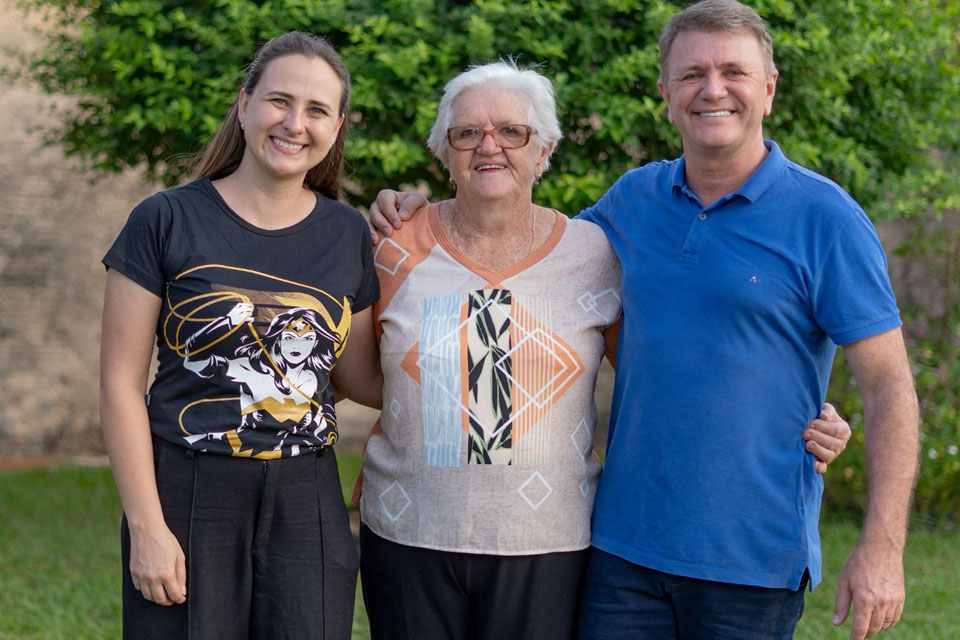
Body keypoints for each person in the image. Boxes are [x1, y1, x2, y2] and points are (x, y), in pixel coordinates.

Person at [368, 3, 918, 639]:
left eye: (733, 71)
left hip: (751, 559)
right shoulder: (632, 203)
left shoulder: (826, 218)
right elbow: (526, 256)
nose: (712, 89)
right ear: (665, 93)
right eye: (691, 75)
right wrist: (414, 213)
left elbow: (888, 386)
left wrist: (881, 548)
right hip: (620, 553)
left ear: (768, 88)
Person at [99, 31, 380, 640]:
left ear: (337, 126)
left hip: (308, 498)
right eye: (279, 100)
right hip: (189, 489)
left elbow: (358, 377)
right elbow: (120, 385)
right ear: (244, 102)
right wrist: (147, 526)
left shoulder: (347, 233)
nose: (294, 123)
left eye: (317, 110)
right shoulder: (165, 218)